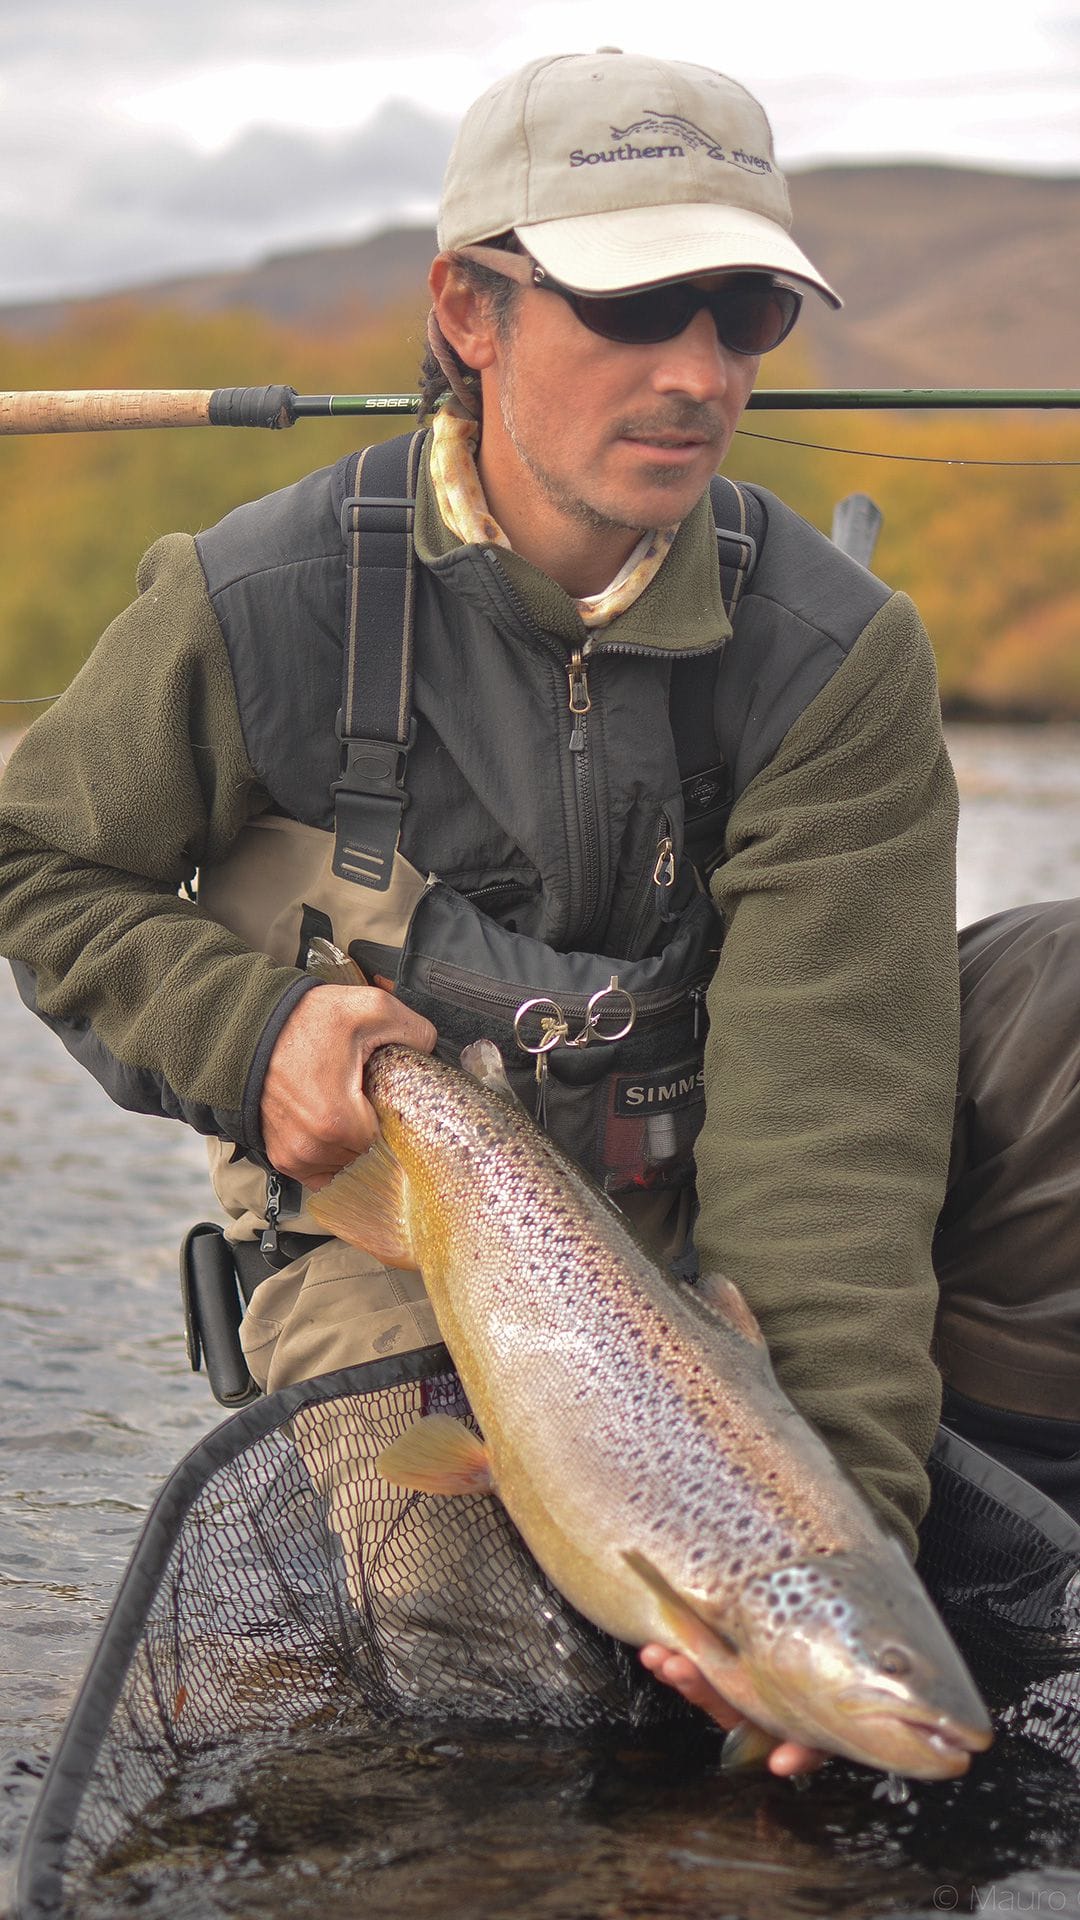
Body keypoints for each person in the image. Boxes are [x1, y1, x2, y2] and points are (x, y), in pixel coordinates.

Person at [0, 49, 1071, 1772]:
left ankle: (987, 1497)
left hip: (712, 1204)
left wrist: (831, 1527)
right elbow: (36, 859)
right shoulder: (252, 601)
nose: (700, 371)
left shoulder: (837, 655)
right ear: (469, 311)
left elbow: (833, 1135)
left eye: (746, 312)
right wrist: (251, 1029)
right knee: (501, 1677)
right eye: (640, 301)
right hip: (391, 1229)